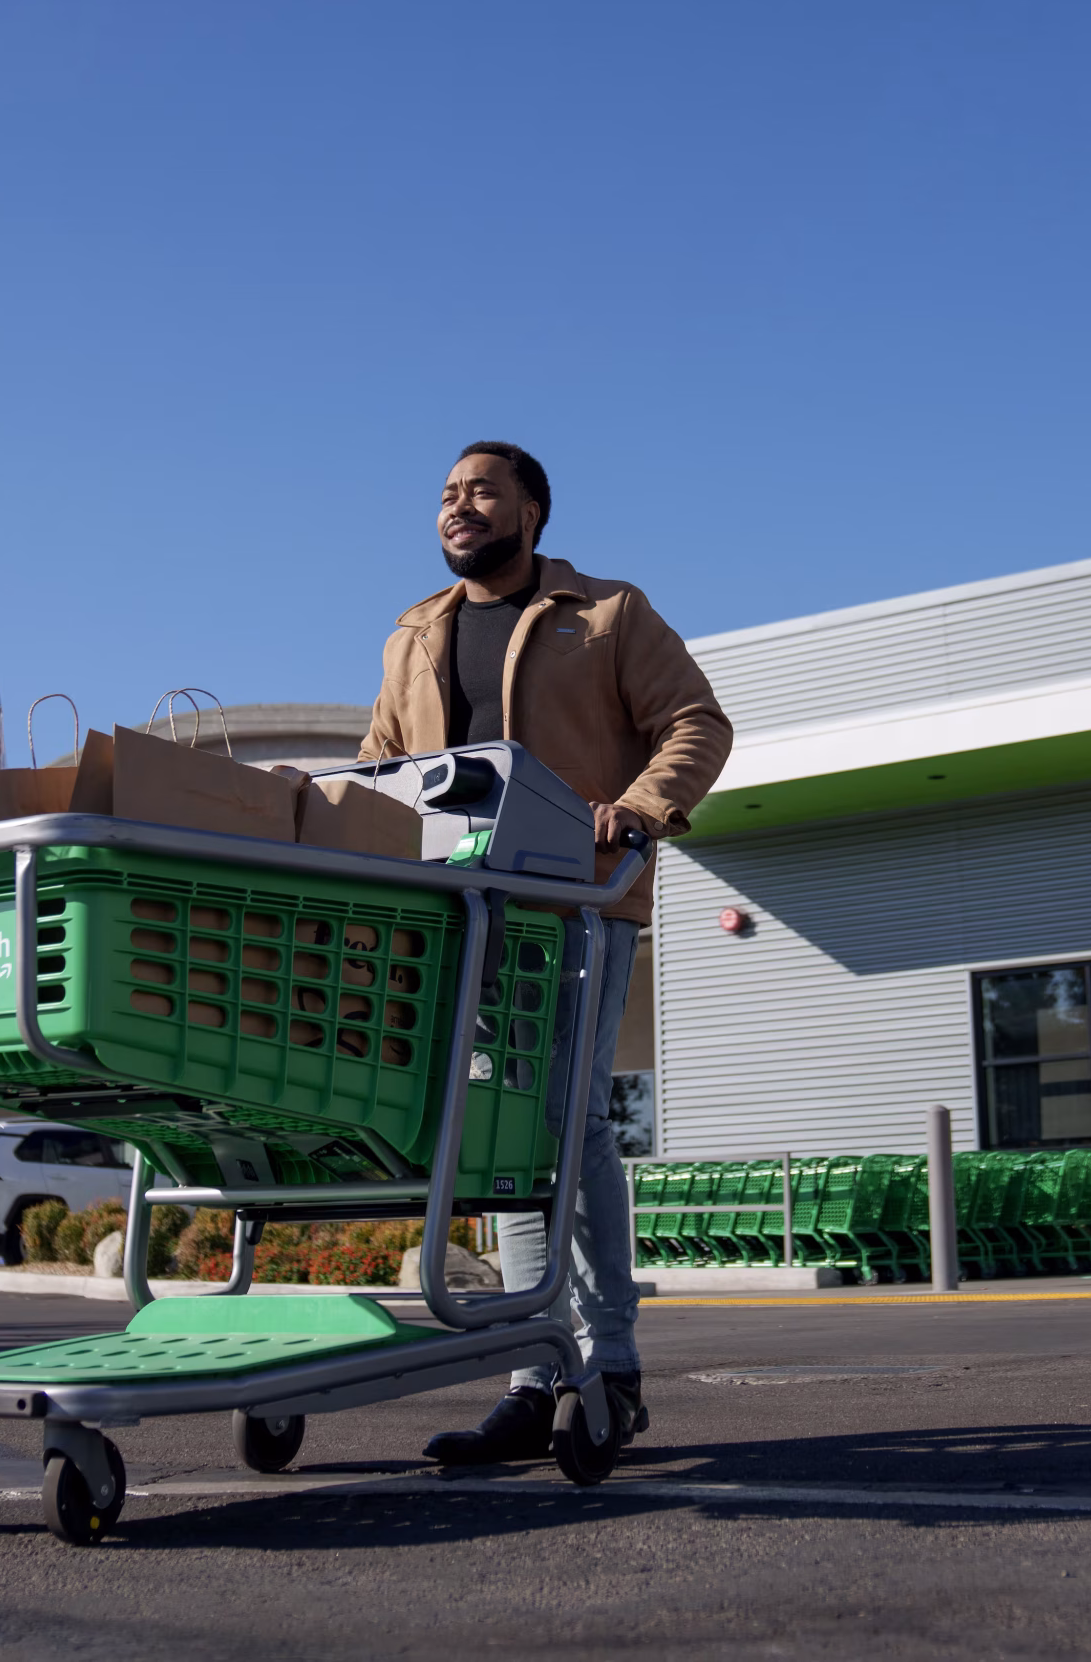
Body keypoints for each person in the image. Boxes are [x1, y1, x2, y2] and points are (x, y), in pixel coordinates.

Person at [361, 441, 732, 1463]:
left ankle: (609, 1361)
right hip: (459, 916)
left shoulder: (606, 613)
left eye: (480, 490)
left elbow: (696, 720)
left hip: (576, 900)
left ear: (532, 510)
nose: (457, 506)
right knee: (503, 1133)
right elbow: (378, 768)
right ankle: (536, 1367)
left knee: (569, 1125)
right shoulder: (413, 634)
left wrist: (643, 807)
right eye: (445, 494)